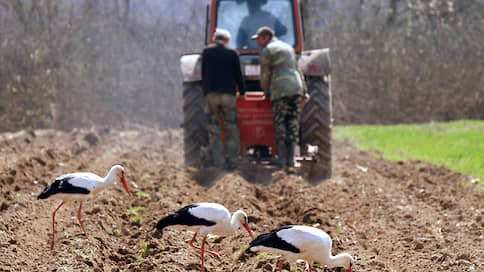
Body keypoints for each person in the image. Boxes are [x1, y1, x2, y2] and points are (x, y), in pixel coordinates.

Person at [251, 26, 305, 171]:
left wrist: (266, 92)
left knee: (280, 124)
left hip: (280, 89)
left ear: (266, 37)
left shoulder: (268, 50)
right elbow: (298, 70)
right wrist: (303, 91)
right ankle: (291, 160)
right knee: (293, 124)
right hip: (296, 88)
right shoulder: (288, 47)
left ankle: (282, 160)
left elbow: (265, 74)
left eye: (259, 39)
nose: (258, 43)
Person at [201, 29, 246, 170]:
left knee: (214, 129)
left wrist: (206, 92)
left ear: (215, 39)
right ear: (227, 40)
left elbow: (203, 73)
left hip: (211, 94)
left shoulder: (206, 52)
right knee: (231, 128)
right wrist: (243, 92)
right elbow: (238, 75)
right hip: (228, 95)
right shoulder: (232, 53)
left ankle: (219, 162)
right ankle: (232, 162)